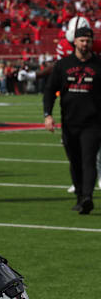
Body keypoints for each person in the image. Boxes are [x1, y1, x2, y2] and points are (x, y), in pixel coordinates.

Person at [43, 27, 101, 214]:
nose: (85, 44)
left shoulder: (99, 64)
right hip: (69, 122)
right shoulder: (63, 65)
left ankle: (87, 197)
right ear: (74, 41)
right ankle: (79, 197)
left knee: (88, 159)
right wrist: (48, 115)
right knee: (75, 161)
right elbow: (50, 91)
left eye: (88, 41)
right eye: (82, 40)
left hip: (93, 122)